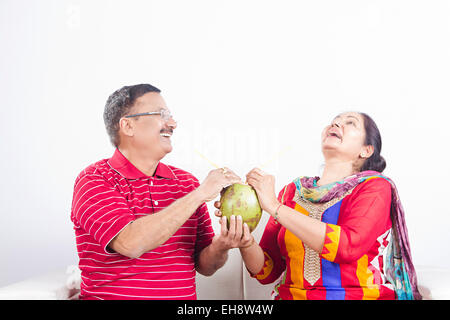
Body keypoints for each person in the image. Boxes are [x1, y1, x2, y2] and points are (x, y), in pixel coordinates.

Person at [216, 111, 421, 300]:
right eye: (334, 121)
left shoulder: (375, 187)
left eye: (350, 123)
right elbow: (267, 271)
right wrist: (245, 242)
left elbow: (347, 246)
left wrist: (274, 207)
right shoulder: (292, 192)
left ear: (366, 150)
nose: (336, 124)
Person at [70, 83, 248, 300]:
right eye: (161, 114)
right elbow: (131, 243)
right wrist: (200, 194)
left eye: (170, 115)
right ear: (127, 126)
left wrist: (222, 245)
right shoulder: (94, 179)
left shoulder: (186, 183)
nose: (172, 123)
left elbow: (205, 267)